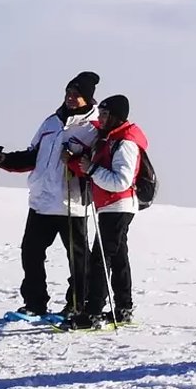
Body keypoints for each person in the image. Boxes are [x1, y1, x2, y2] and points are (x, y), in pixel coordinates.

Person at [0, 72, 101, 322]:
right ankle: (34, 303)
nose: (71, 98)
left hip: (70, 204)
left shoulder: (93, 127)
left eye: (77, 95)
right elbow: (33, 156)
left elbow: (94, 164)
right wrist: (6, 160)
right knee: (30, 253)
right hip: (41, 201)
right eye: (68, 93)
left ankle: (76, 305)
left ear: (88, 98)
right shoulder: (51, 122)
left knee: (77, 259)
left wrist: (75, 162)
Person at [64, 93, 148, 330]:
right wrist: (75, 163)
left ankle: (92, 313)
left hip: (119, 204)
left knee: (101, 258)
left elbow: (121, 181)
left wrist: (90, 169)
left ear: (117, 116)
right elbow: (94, 168)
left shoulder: (126, 143)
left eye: (105, 113)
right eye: (100, 112)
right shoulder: (109, 139)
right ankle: (123, 308)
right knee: (118, 256)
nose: (100, 117)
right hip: (111, 206)